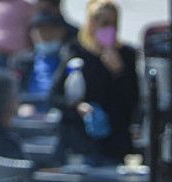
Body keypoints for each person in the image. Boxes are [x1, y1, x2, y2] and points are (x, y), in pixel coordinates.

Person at [51, 0, 140, 164]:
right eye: (103, 22)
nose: (108, 28)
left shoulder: (126, 54)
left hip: (113, 142)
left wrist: (119, 72)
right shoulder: (76, 52)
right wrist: (78, 106)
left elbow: (133, 100)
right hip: (81, 140)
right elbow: (55, 95)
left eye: (112, 23)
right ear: (91, 23)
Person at [12, 10, 78, 114]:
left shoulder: (70, 59)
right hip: (26, 113)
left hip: (60, 113)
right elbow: (14, 91)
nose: (46, 36)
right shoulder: (20, 61)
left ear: (62, 32)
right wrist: (21, 106)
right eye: (41, 31)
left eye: (51, 30)